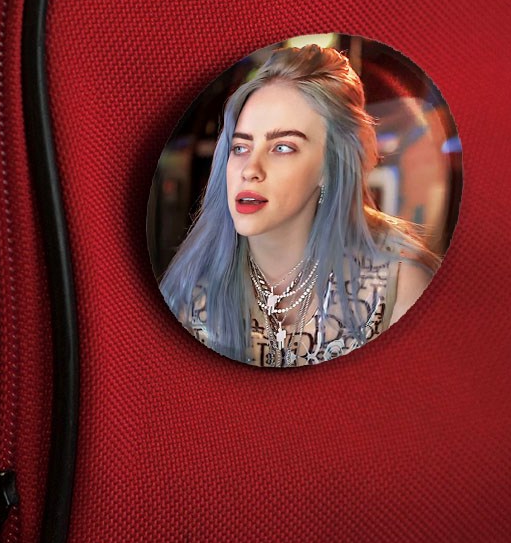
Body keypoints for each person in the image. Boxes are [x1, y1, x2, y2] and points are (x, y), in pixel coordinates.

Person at [160, 44, 438, 367]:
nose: (250, 169)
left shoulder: (400, 288)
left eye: (282, 147)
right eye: (240, 147)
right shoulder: (189, 292)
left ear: (330, 166)